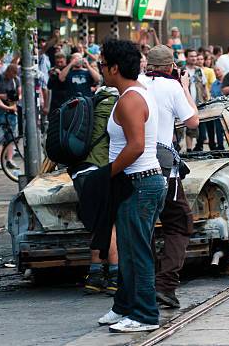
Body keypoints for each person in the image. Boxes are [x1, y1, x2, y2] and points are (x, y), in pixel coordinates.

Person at [96, 39, 167, 333]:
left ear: (114, 68)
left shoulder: (130, 100)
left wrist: (107, 173)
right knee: (127, 249)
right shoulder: (132, 94)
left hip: (139, 182)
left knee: (136, 251)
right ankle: (124, 306)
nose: (99, 68)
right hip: (137, 182)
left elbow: (136, 146)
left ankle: (146, 315)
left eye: (102, 64)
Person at [140, 45, 199, 309]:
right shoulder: (172, 87)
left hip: (135, 165)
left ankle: (146, 284)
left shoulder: (136, 84)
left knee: (145, 227)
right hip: (164, 169)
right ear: (170, 66)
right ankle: (165, 285)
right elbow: (193, 121)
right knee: (180, 223)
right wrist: (184, 85)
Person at [70, 85, 119, 296]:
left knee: (98, 225)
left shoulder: (90, 106)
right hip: (100, 170)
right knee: (112, 225)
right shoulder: (118, 106)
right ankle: (116, 277)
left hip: (79, 172)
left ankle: (95, 274)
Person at [0, 64, 21, 170]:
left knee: (11, 136)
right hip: (0, 110)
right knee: (0, 136)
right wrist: (3, 96)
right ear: (8, 71)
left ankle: (9, 160)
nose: (13, 76)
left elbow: (19, 93)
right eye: (12, 74)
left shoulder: (16, 80)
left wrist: (16, 97)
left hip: (11, 109)